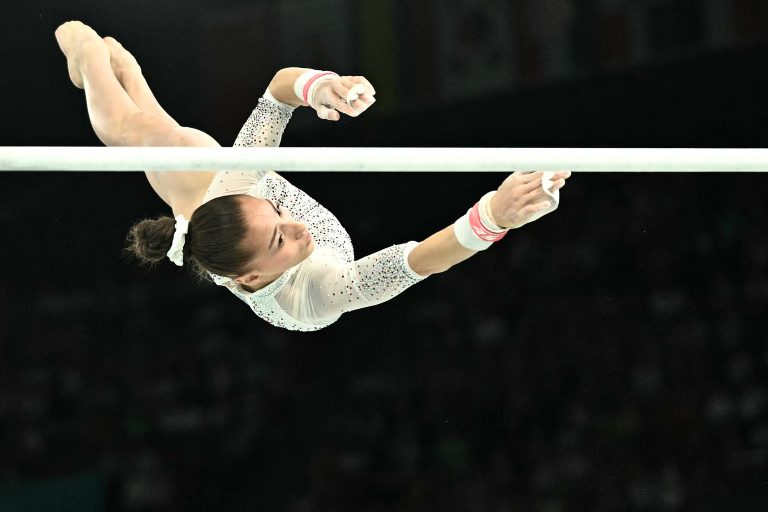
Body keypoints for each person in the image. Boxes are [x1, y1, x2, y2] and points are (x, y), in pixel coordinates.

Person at [55, 21, 571, 332]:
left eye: (281, 219)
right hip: (219, 204)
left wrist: (321, 88)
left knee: (129, 132)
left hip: (205, 194)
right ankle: (120, 66)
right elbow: (418, 261)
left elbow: (276, 92)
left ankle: (80, 44)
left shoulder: (238, 187)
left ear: (250, 278)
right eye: (282, 233)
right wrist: (494, 217)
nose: (298, 226)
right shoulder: (320, 292)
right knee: (158, 134)